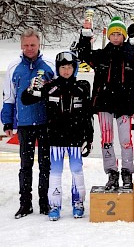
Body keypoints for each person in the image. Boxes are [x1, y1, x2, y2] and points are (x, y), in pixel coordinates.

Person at [21, 51, 93, 221]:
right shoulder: (49, 87)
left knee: (77, 170)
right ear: (57, 69)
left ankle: (78, 203)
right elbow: (26, 99)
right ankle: (54, 204)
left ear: (74, 68)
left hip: (76, 138)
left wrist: (88, 139)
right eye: (62, 67)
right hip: (55, 139)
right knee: (56, 171)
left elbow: (87, 116)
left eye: (69, 67)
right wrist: (31, 88)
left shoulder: (82, 86)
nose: (66, 71)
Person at [75, 16, 134, 190]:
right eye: (113, 34)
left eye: (119, 34)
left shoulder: (130, 57)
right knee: (106, 140)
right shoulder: (101, 55)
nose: (116, 37)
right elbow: (83, 54)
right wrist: (85, 34)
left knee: (126, 140)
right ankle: (111, 172)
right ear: (109, 35)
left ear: (124, 36)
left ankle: (127, 171)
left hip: (125, 104)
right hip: (104, 103)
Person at [1, 28, 56, 219]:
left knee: (45, 165)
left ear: (39, 44)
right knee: (25, 165)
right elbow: (9, 97)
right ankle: (25, 203)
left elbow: (60, 91)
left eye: (32, 45)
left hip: (45, 123)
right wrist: (7, 122)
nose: (29, 48)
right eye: (26, 45)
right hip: (24, 124)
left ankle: (44, 202)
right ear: (21, 46)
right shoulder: (13, 66)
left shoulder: (49, 65)